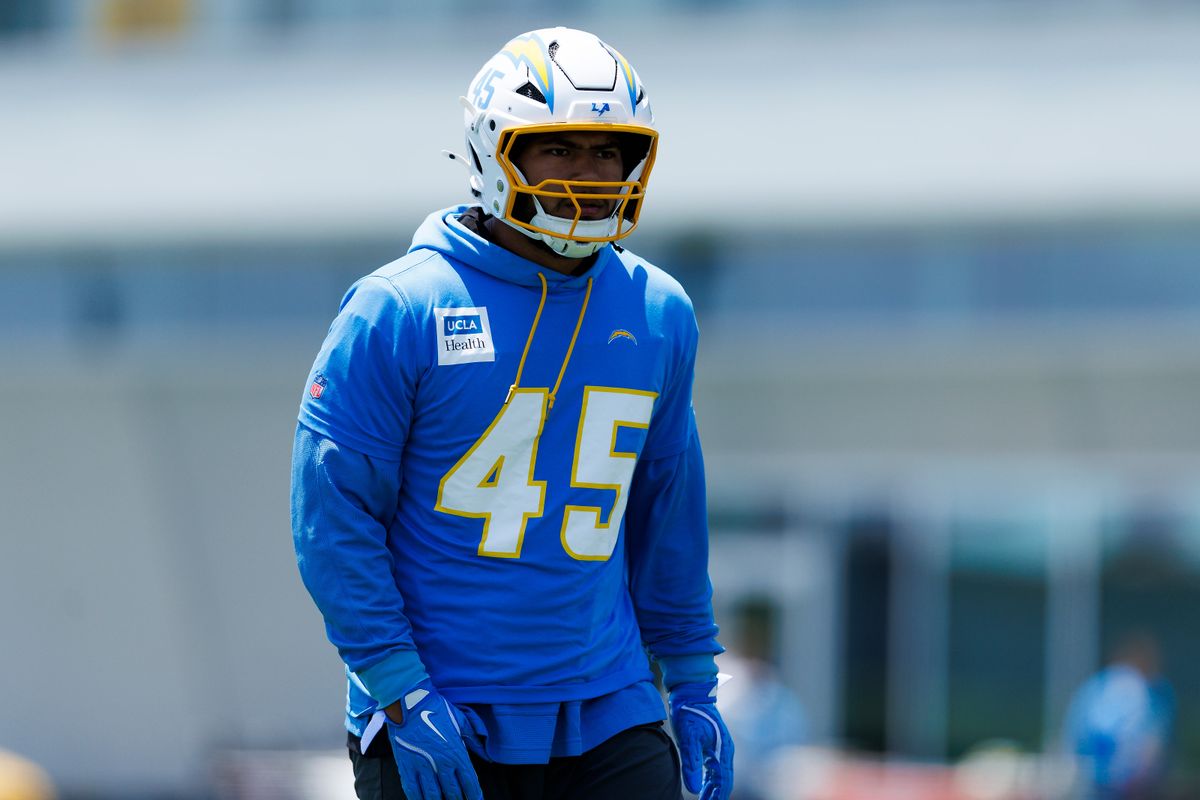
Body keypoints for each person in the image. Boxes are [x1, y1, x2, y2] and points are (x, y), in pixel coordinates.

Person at [290, 27, 733, 800]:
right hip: (441, 708)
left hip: (609, 706)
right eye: (558, 149)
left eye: (607, 152)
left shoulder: (660, 310)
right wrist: (396, 682)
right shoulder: (398, 308)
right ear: (494, 153)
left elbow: (668, 511)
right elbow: (332, 516)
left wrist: (693, 674)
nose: (589, 175)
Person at [1062, 632, 1174, 799]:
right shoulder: (1141, 688)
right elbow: (1148, 742)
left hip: (1090, 776)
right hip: (1126, 781)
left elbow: (1074, 732)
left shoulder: (1096, 684)